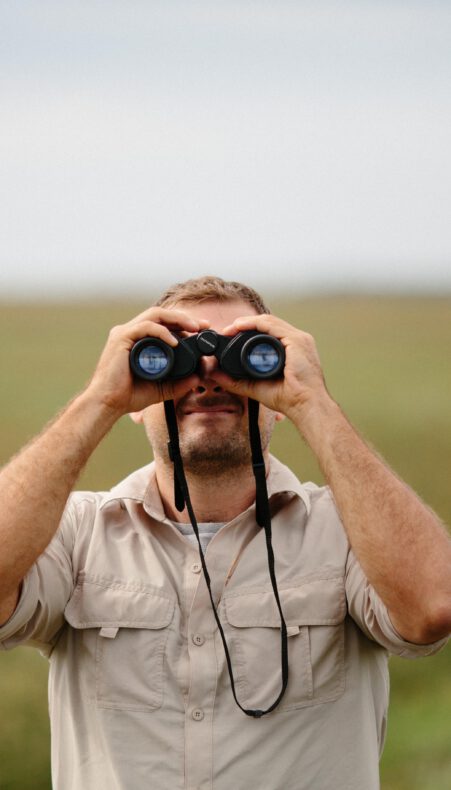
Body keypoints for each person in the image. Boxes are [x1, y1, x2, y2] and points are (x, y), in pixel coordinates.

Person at [0, 275, 450, 790]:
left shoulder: (347, 532)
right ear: (137, 399)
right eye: (177, 355)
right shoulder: (78, 533)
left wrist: (312, 401)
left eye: (242, 353)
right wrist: (98, 400)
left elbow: (433, 608)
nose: (209, 379)